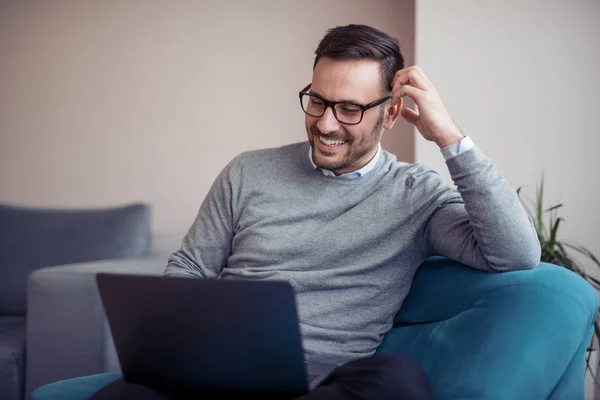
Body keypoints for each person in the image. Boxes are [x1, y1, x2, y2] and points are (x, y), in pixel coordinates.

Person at [55, 24, 542, 399]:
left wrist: (449, 137)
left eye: (349, 109)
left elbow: (515, 254)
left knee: (398, 379)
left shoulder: (417, 194)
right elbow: (190, 267)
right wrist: (174, 345)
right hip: (217, 371)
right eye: (317, 102)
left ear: (391, 113)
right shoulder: (248, 171)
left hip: (325, 382)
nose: (327, 124)